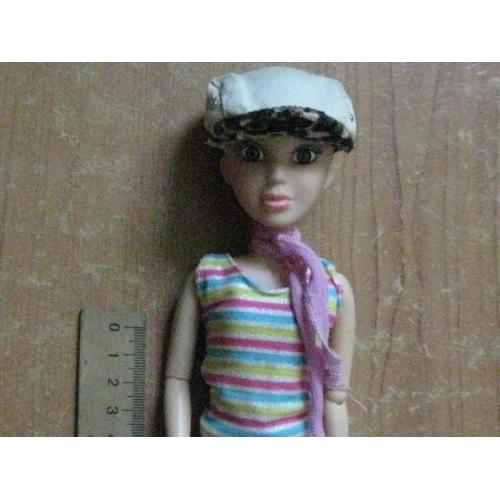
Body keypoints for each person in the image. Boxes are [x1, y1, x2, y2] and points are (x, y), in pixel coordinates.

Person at [165, 65, 357, 437]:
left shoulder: (331, 289)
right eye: (252, 154)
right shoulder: (211, 279)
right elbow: (176, 380)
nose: (276, 177)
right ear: (226, 168)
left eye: (305, 156)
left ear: (330, 173)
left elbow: (335, 397)